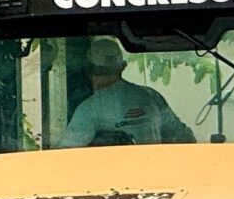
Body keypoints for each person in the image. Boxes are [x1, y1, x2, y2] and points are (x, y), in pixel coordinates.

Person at [63, 37, 194, 148]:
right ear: (122, 67)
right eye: (97, 72)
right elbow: (185, 138)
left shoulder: (89, 109)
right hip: (154, 168)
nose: (99, 78)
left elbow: (66, 154)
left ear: (88, 71)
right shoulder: (151, 97)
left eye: (99, 71)